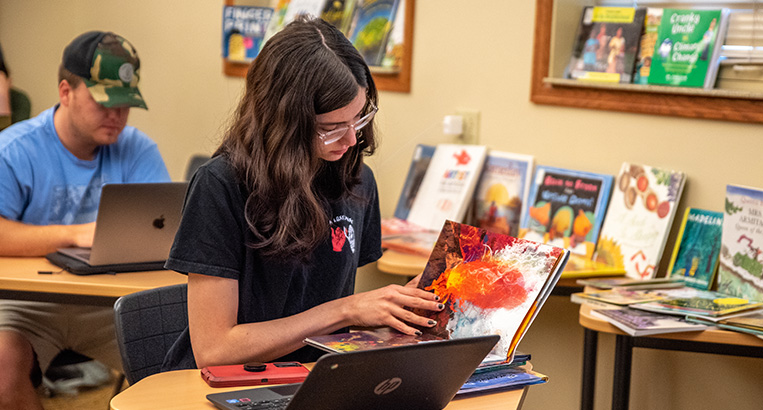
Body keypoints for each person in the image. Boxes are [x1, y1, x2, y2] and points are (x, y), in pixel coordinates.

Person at [161, 17, 442, 371]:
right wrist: (345, 310)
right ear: (284, 122)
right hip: (219, 386)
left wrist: (396, 310)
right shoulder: (220, 185)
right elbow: (214, 350)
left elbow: (325, 325)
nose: (352, 140)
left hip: (315, 376)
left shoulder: (356, 180)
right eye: (330, 128)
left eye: (359, 118)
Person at [0, 31, 169, 410]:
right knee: (2, 374)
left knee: (181, 368)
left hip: (115, 300)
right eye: (104, 103)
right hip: (29, 304)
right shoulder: (14, 150)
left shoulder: (139, 149)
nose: (116, 116)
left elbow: (165, 228)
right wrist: (76, 235)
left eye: (125, 104)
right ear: (66, 91)